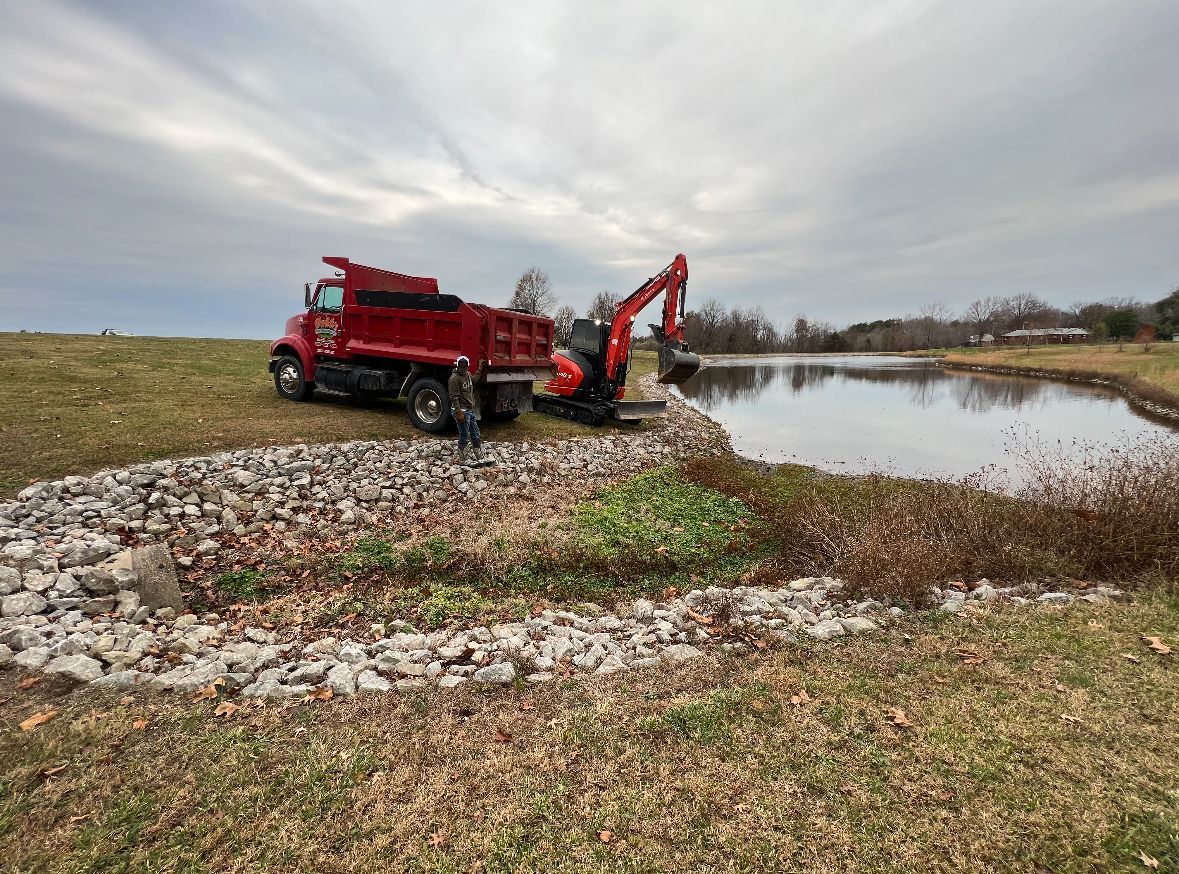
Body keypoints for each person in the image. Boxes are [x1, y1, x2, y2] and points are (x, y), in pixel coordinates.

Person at [448, 355, 484, 463]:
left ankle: (479, 455)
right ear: (457, 366)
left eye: (465, 367)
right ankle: (462, 458)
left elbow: (475, 380)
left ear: (468, 366)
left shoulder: (467, 374)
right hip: (461, 410)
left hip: (469, 410)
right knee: (464, 434)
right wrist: (458, 412)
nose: (463, 369)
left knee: (475, 433)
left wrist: (480, 368)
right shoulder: (454, 379)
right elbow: (453, 397)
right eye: (461, 367)